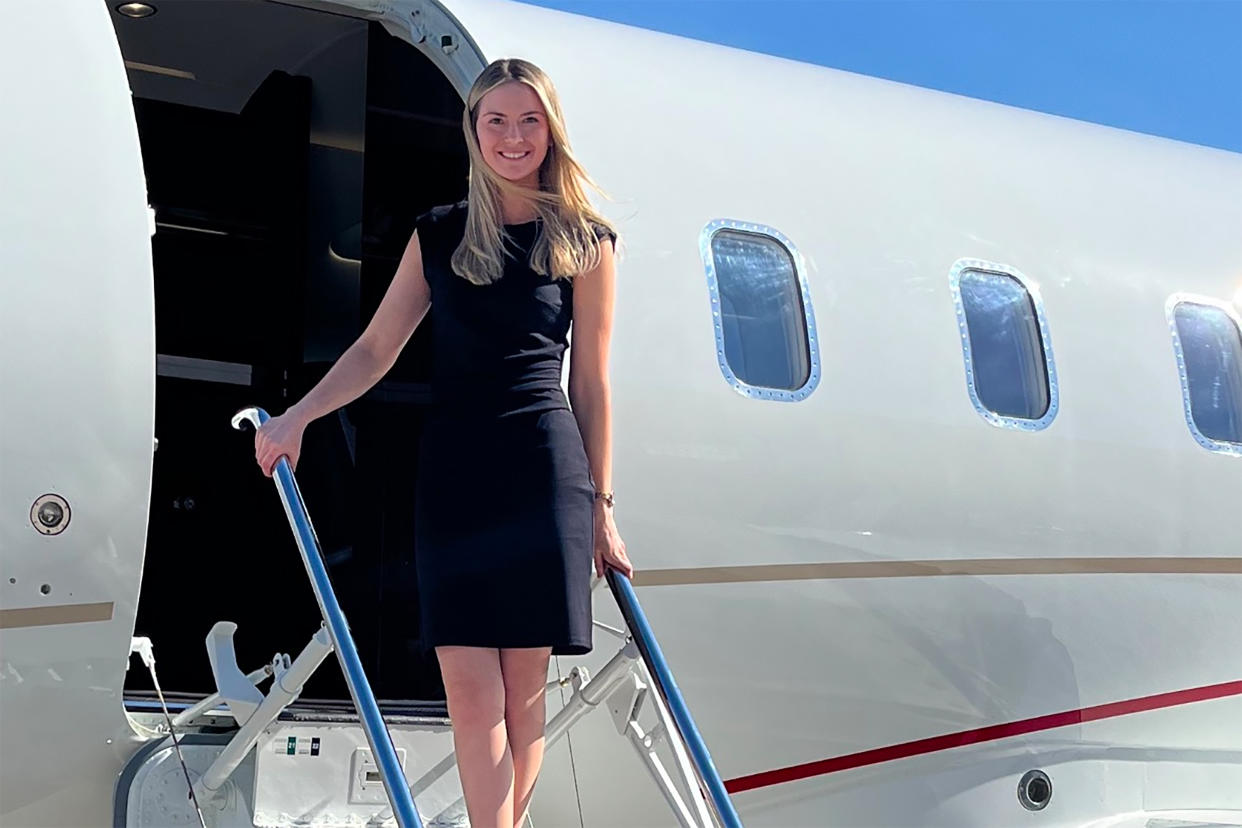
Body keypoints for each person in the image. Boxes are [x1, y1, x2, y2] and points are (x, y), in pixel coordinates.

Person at [253, 57, 634, 828]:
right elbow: (374, 349)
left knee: (524, 694)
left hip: (541, 468)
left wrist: (603, 508)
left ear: (550, 130)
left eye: (529, 119)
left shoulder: (587, 242)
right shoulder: (440, 234)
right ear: (474, 131)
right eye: (496, 120)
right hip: (456, 473)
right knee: (469, 687)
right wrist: (298, 417)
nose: (513, 136)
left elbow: (591, 385)